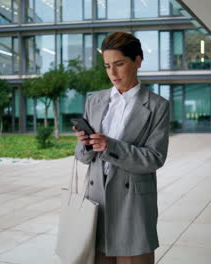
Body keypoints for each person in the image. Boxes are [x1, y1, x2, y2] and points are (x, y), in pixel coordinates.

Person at [73, 32, 170, 264]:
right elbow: (81, 156)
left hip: (132, 203)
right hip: (97, 202)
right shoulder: (94, 101)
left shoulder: (157, 106)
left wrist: (110, 146)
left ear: (137, 61)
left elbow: (155, 158)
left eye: (119, 64)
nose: (112, 73)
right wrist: (85, 145)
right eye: (107, 66)